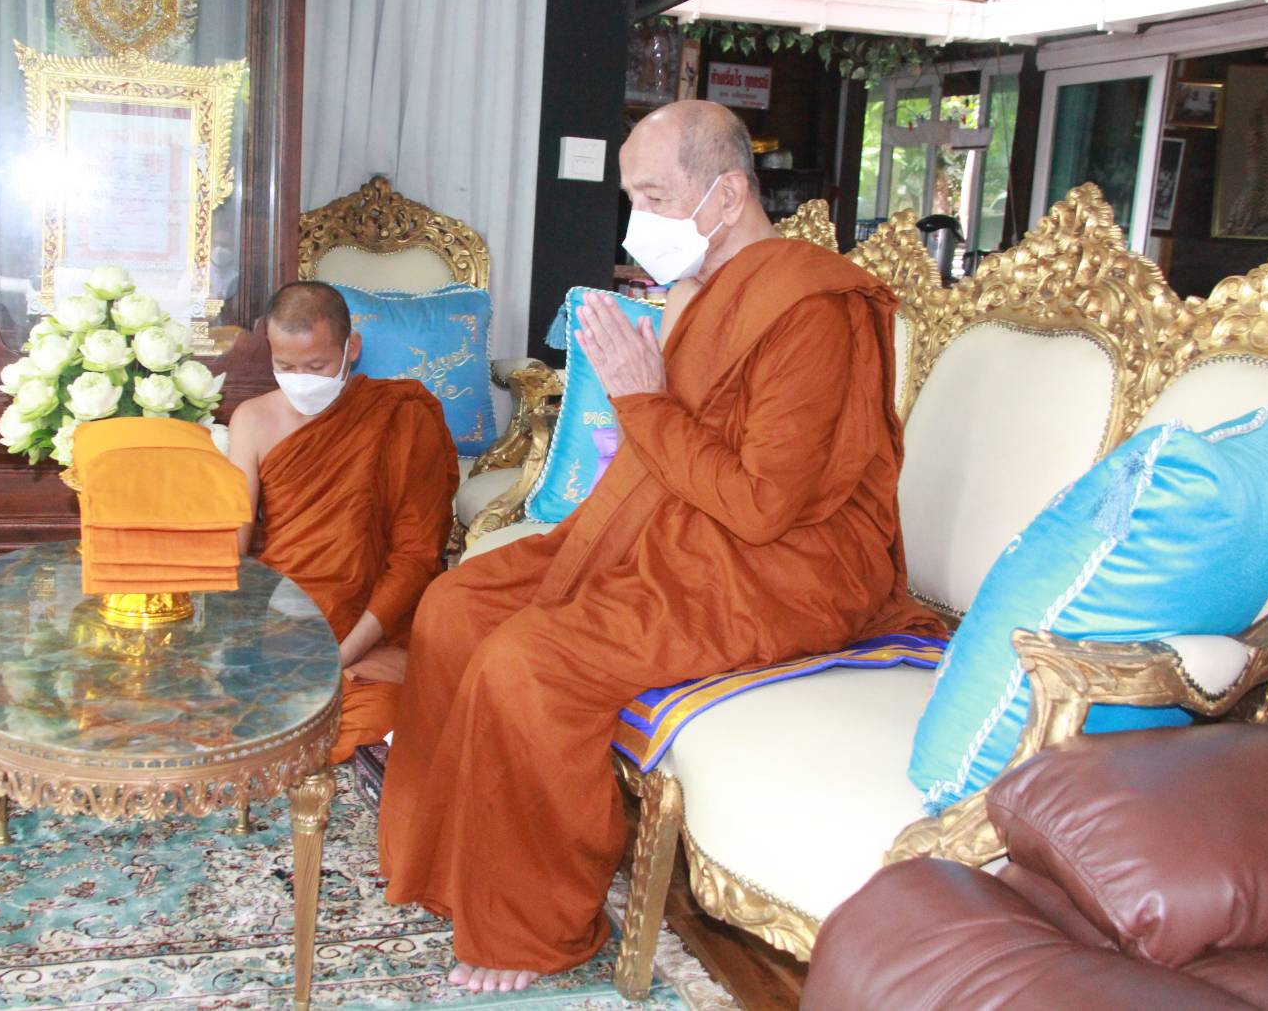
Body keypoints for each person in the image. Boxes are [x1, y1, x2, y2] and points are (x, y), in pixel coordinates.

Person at [377, 100, 945, 993]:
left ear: (727, 195)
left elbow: (761, 505)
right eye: (631, 196)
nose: (635, 220)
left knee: (531, 662)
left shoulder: (813, 309)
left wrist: (642, 396)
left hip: (785, 569)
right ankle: (458, 867)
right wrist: (652, 382)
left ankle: (533, 926)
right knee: (455, 603)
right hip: (682, 526)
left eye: (651, 196)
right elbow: (677, 454)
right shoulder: (702, 291)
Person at [228, 282, 459, 764]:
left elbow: (416, 557)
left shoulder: (401, 415)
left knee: (378, 715)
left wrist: (341, 656)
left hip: (369, 624)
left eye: (316, 367)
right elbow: (234, 550)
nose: (301, 380)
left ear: (351, 348)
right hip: (287, 615)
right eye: (286, 366)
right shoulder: (252, 419)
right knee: (222, 710)